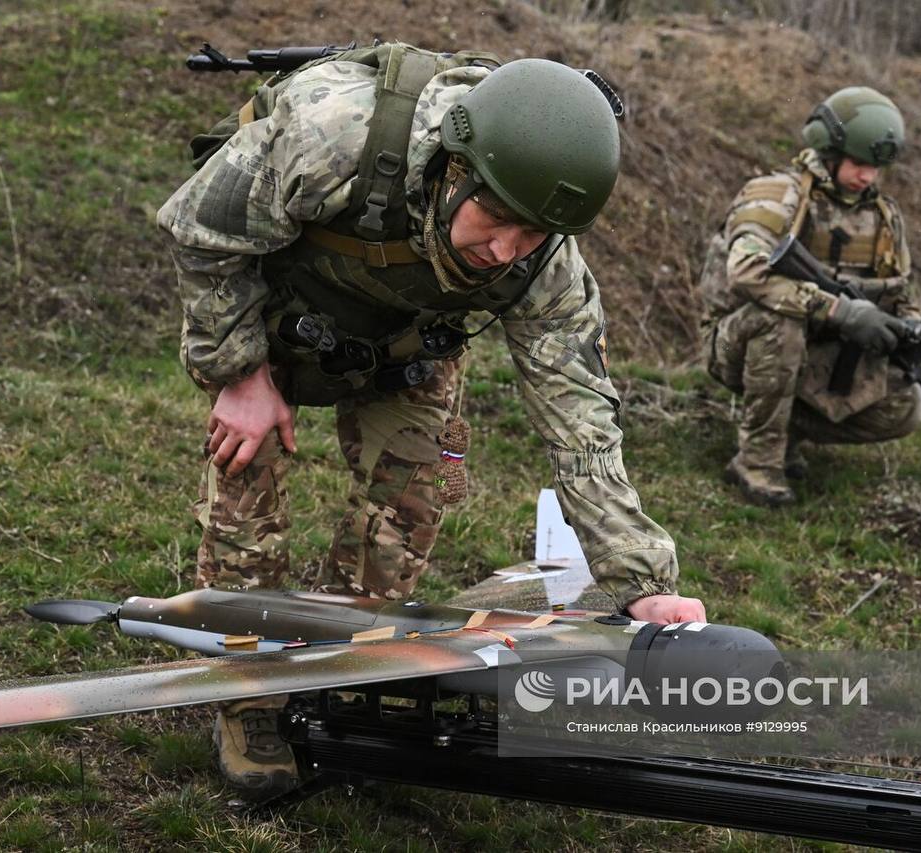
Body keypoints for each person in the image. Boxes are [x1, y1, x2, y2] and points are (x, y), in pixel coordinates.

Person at [157, 44, 706, 801]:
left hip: (407, 350)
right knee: (246, 491)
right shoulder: (332, 135)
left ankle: (334, 672)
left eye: (531, 234)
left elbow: (581, 424)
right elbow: (199, 225)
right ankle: (247, 694)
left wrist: (641, 580)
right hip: (273, 321)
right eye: (497, 218)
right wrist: (240, 372)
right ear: (455, 168)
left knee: (410, 509)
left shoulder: (545, 266)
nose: (505, 251)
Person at [701, 86, 921, 507]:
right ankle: (757, 460)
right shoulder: (777, 196)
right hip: (739, 342)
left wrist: (915, 330)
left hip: (818, 352)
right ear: (830, 151)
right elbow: (746, 273)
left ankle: (786, 429)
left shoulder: (883, 218)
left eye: (875, 167)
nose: (867, 176)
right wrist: (837, 310)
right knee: (780, 321)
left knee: (907, 405)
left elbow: (897, 292)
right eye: (858, 164)